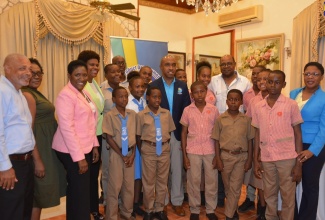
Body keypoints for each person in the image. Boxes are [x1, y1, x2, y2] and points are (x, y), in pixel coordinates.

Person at [251, 70, 303, 220]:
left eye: (277, 82)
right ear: (265, 83)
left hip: (287, 158)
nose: (273, 85)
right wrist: (256, 160)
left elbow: (298, 134)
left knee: (287, 195)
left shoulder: (291, 105)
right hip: (267, 158)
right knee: (269, 194)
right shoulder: (258, 106)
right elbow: (257, 134)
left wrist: (298, 163)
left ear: (284, 84)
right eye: (270, 81)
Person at [52, 60, 99, 220]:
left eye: (84, 74)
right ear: (69, 76)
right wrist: (79, 158)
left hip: (84, 146)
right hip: (70, 150)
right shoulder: (66, 94)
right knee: (81, 193)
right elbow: (67, 128)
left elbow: (91, 122)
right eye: (77, 74)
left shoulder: (82, 92)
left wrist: (94, 145)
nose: (82, 78)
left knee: (77, 191)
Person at [22, 58, 66, 220]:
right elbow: (28, 130)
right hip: (38, 149)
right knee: (37, 195)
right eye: (32, 73)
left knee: (37, 196)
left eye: (39, 73)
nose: (36, 76)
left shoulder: (34, 92)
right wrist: (38, 159)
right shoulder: (27, 95)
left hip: (45, 148)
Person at [149, 55, 191, 216]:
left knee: (177, 170)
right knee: (161, 171)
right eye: (167, 65)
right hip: (159, 135)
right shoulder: (153, 85)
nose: (171, 68)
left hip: (177, 135)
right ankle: (162, 202)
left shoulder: (182, 85)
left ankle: (177, 201)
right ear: (161, 66)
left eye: (173, 65)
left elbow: (186, 110)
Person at [208, 54, 251, 206]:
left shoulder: (245, 82)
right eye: (223, 64)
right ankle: (222, 199)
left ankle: (231, 206)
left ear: (234, 64)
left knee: (235, 176)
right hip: (219, 126)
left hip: (238, 128)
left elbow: (248, 105)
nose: (226, 66)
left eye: (229, 63)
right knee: (221, 166)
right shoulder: (213, 81)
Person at [0, 53, 36, 220]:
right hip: (10, 165)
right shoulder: (2, 91)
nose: (28, 73)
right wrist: (5, 167)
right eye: (22, 68)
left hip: (25, 163)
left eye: (29, 69)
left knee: (24, 210)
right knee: (11, 211)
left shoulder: (18, 92)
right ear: (7, 69)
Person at [212, 89, 255, 220]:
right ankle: (233, 210)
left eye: (236, 99)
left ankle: (229, 215)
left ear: (241, 102)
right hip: (225, 157)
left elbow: (250, 140)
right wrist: (218, 158)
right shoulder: (220, 119)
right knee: (228, 187)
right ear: (226, 101)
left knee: (236, 187)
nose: (233, 102)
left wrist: (249, 160)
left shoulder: (246, 119)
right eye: (231, 99)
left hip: (241, 157)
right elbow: (216, 140)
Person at [290, 62, 325, 220]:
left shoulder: (324, 98)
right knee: (291, 183)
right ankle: (293, 215)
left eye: (315, 74)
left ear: (321, 77)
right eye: (307, 74)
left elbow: (324, 128)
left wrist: (312, 151)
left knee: (310, 186)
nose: (310, 77)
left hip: (313, 146)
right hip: (291, 144)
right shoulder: (293, 93)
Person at [180, 81, 220, 220]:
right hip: (193, 150)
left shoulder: (213, 110)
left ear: (206, 92)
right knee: (193, 181)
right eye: (196, 92)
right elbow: (183, 132)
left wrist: (217, 155)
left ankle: (210, 209)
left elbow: (217, 133)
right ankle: (195, 209)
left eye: (202, 91)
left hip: (210, 150)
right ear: (192, 94)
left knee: (211, 181)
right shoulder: (187, 110)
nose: (199, 94)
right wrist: (185, 155)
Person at [136, 87, 176, 220]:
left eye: (159, 97)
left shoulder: (166, 113)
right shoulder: (141, 115)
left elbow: (169, 132)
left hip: (163, 149)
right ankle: (149, 209)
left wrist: (162, 143)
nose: (157, 99)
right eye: (154, 97)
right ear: (147, 97)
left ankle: (159, 208)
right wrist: (144, 149)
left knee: (162, 181)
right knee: (148, 181)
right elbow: (138, 135)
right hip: (148, 149)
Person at [77, 50, 105, 220]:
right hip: (86, 138)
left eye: (96, 64)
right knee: (85, 177)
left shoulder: (94, 84)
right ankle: (85, 211)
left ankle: (93, 209)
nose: (95, 67)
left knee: (94, 176)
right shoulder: (81, 85)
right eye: (91, 64)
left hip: (98, 135)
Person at [102, 86, 137, 220]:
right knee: (114, 187)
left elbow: (135, 136)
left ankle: (126, 213)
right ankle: (111, 216)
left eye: (126, 96)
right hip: (117, 155)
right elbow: (109, 138)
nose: (124, 99)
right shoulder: (110, 116)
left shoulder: (132, 115)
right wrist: (122, 155)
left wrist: (133, 154)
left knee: (129, 186)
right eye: (121, 96)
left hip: (130, 155)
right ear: (114, 99)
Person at [239, 66, 265, 214]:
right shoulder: (249, 96)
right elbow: (247, 119)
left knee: (264, 175)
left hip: (268, 142)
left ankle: (265, 205)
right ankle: (250, 199)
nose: (257, 78)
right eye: (255, 75)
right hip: (253, 138)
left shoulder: (274, 96)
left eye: (262, 76)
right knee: (252, 173)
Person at [245, 69, 271, 220]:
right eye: (259, 79)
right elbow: (250, 123)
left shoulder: (276, 98)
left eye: (265, 79)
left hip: (271, 143)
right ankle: (261, 208)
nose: (262, 82)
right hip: (256, 141)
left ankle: (270, 207)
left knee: (271, 179)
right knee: (259, 178)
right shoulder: (254, 100)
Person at [100, 63, 122, 208]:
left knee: (121, 171)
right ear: (106, 74)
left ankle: (121, 201)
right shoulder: (101, 90)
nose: (116, 74)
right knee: (107, 170)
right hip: (107, 137)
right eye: (112, 72)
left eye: (118, 71)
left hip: (124, 136)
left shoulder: (125, 89)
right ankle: (108, 201)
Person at [126, 75, 147, 217]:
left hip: (144, 144)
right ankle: (127, 205)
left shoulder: (145, 102)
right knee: (131, 176)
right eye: (137, 86)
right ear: (130, 88)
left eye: (142, 87)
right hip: (133, 144)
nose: (140, 89)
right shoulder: (127, 104)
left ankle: (136, 203)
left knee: (139, 176)